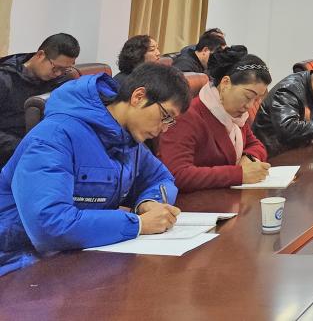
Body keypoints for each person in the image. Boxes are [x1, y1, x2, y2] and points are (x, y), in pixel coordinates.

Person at [0, 63, 186, 276]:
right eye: (165, 116)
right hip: (16, 263)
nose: (164, 128)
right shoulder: (54, 136)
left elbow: (161, 178)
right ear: (138, 97)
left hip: (76, 258)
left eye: (171, 122)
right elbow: (48, 224)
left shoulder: (128, 141)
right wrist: (137, 224)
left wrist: (148, 202)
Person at [159, 46, 272, 192]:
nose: (250, 106)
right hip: (196, 202)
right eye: (248, 96)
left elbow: (256, 145)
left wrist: (248, 157)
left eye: (256, 99)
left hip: (224, 197)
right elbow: (178, 174)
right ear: (225, 83)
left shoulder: (235, 115)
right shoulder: (187, 116)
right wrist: (239, 174)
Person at [0, 33, 80, 168]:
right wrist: (26, 146)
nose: (58, 73)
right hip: (11, 156)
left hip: (45, 151)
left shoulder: (61, 81)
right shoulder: (5, 79)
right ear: (40, 55)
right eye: (56, 68)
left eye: (64, 69)